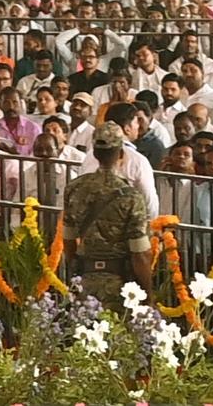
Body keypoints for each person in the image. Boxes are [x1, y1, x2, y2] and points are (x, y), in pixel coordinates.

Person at [63, 122, 152, 312]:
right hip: (119, 282)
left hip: (84, 279)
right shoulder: (131, 196)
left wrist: (76, 270)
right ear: (121, 154)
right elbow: (140, 253)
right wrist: (148, 294)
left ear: (95, 153)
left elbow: (69, 240)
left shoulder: (74, 188)